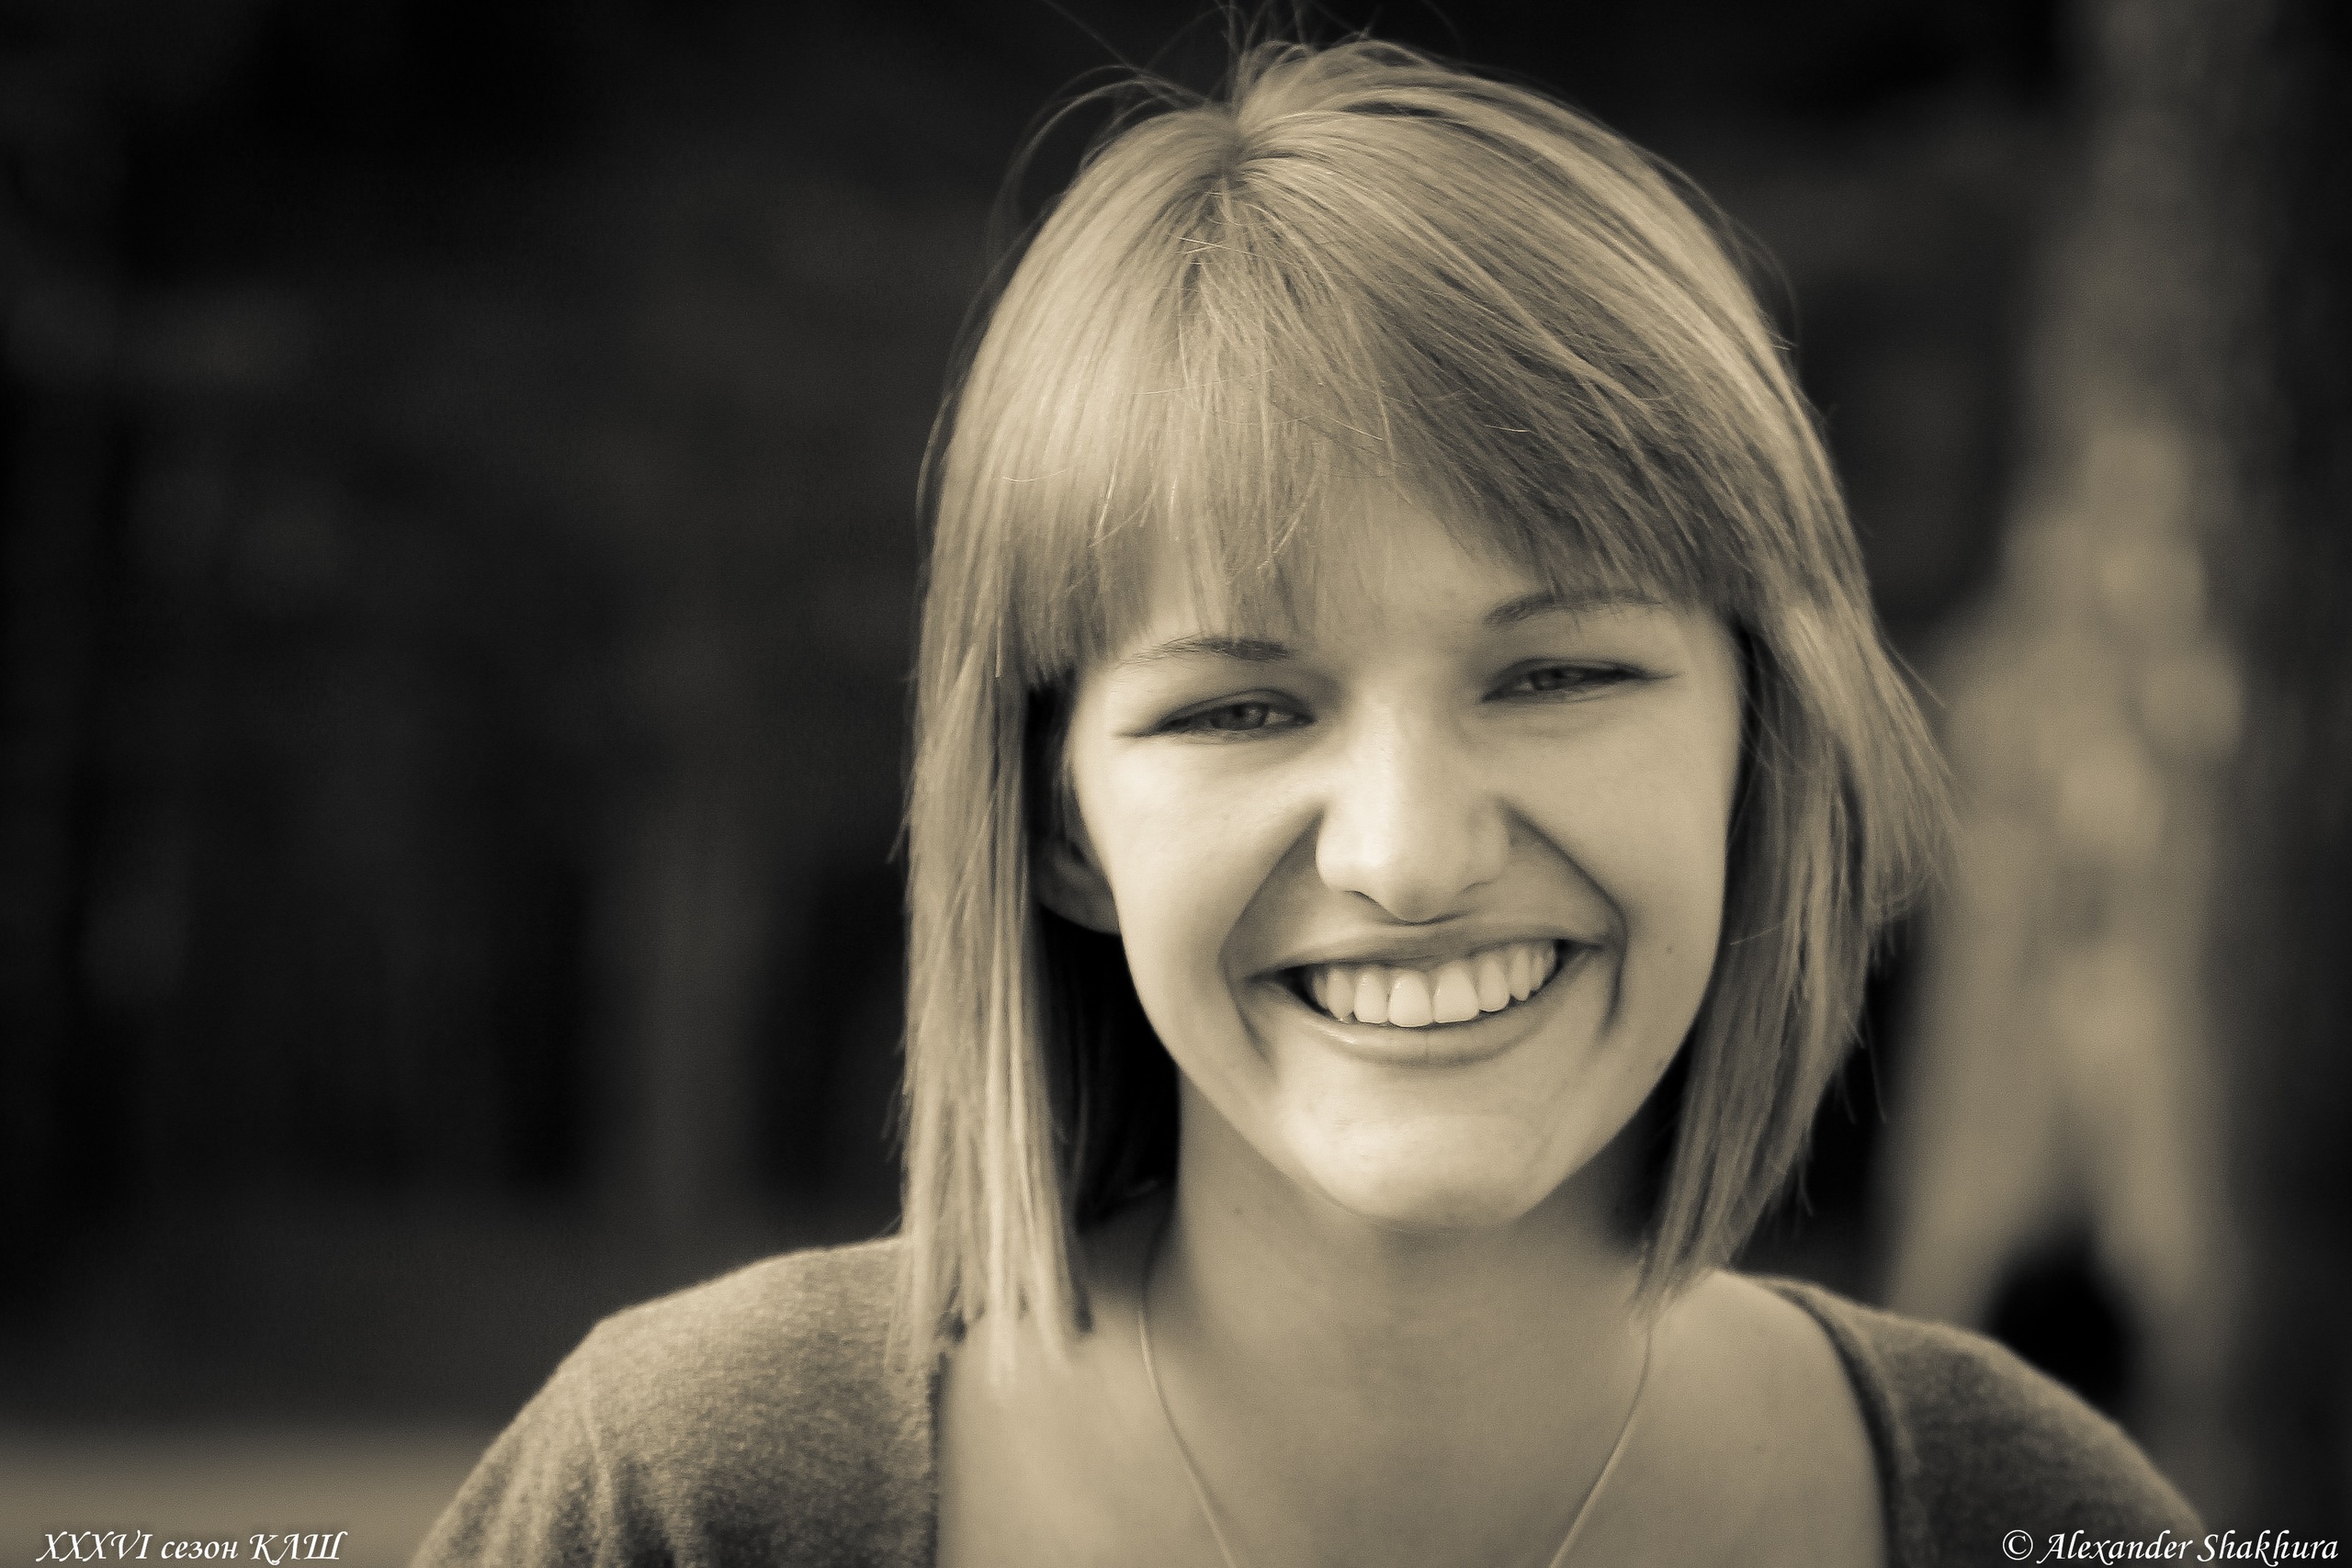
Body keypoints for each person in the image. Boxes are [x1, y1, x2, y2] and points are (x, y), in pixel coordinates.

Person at [417, 33, 2200, 1568]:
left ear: (1762, 738)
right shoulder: (690, 1496)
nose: (1407, 855)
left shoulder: (2029, 1511)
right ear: (1056, 823)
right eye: (1241, 707)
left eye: (1555, 675)